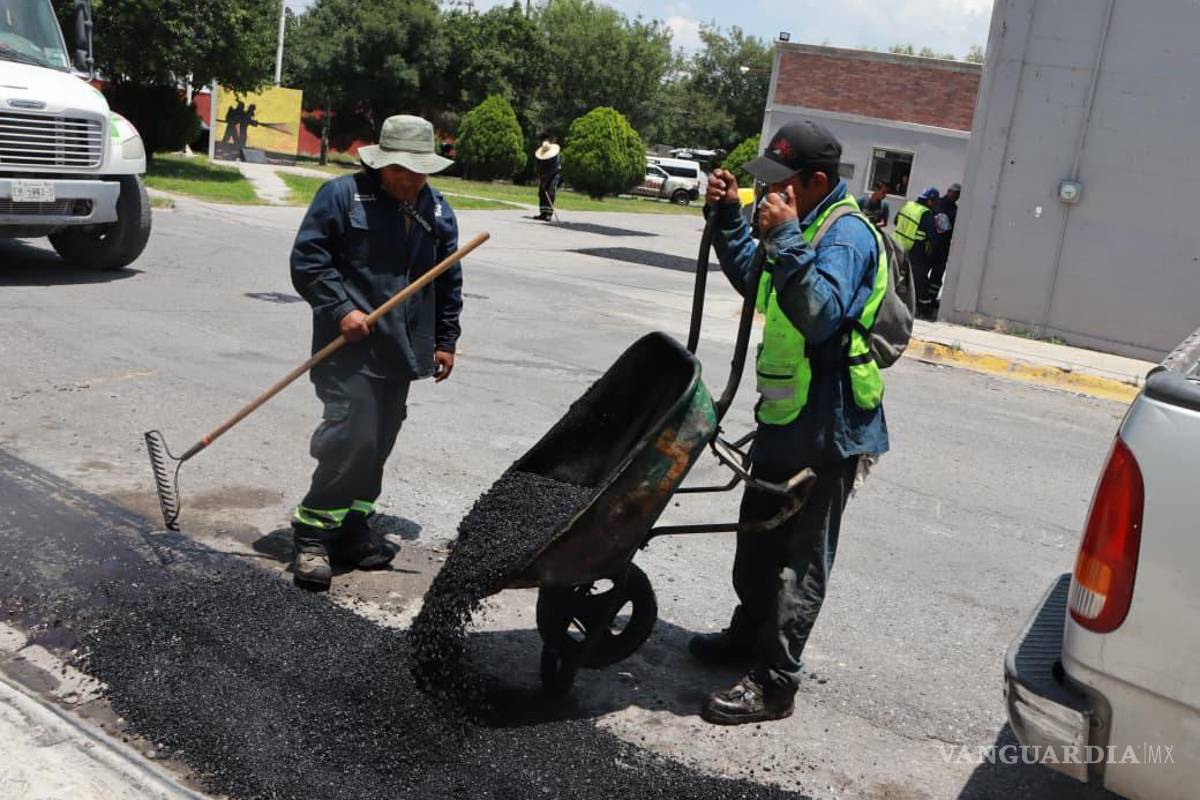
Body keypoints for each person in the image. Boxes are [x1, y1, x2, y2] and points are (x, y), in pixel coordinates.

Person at [693, 120, 890, 725]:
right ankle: (748, 635)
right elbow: (758, 284)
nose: (769, 193)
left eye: (782, 183)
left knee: (800, 560)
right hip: (785, 414)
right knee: (757, 539)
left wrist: (783, 236)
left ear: (818, 182)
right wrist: (730, 219)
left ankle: (776, 682)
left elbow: (820, 314)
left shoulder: (846, 237)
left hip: (829, 425)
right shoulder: (800, 225)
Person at [289, 115, 464, 591]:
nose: (410, 179)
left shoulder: (437, 210)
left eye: (419, 170)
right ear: (380, 163)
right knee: (354, 439)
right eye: (400, 169)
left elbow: (448, 280)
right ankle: (312, 535)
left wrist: (446, 340)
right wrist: (341, 309)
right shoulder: (342, 197)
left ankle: (352, 529)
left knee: (379, 444)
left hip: (402, 353)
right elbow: (309, 261)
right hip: (349, 350)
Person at [894, 187, 939, 320]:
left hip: (898, 245)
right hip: (916, 250)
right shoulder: (926, 213)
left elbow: (896, 221)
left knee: (899, 276)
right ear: (930, 201)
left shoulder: (907, 206)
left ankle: (896, 303)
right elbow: (931, 235)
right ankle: (920, 308)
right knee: (918, 281)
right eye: (934, 202)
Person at [926, 183, 961, 314]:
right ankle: (922, 298)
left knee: (937, 275)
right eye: (954, 192)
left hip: (943, 246)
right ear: (948, 191)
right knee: (923, 272)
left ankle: (931, 298)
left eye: (958, 194)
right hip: (932, 244)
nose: (956, 195)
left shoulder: (955, 209)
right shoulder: (937, 203)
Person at [534, 139, 561, 221]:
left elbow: (553, 170)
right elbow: (538, 167)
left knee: (550, 193)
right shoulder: (540, 157)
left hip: (553, 175)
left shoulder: (555, 157)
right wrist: (539, 176)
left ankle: (548, 214)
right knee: (541, 193)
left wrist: (545, 180)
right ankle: (543, 213)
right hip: (543, 176)